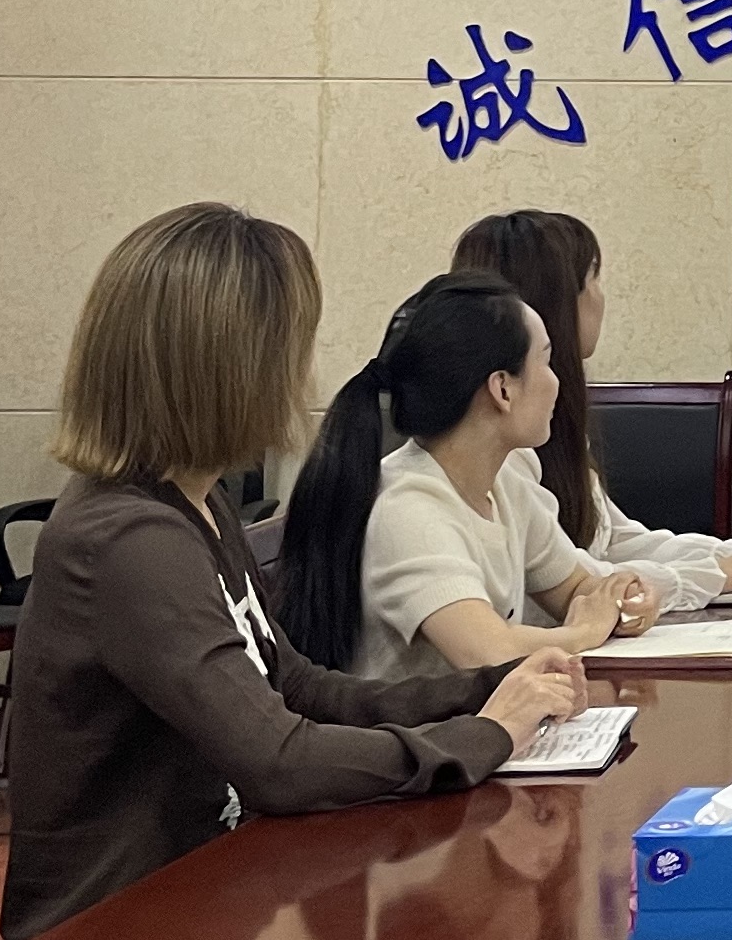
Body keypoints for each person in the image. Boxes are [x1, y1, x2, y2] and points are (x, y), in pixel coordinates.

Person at [0, 204, 581, 940]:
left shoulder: (195, 500)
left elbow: (295, 685)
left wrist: (484, 689)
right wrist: (485, 736)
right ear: (233, 369)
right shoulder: (129, 541)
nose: (301, 374)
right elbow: (278, 760)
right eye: (291, 350)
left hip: (207, 898)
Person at [283, 271, 666, 689]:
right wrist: (586, 631)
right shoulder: (408, 509)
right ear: (502, 389)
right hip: (410, 728)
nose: (556, 382)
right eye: (545, 361)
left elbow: (576, 588)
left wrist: (623, 598)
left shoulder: (504, 482)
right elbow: (488, 653)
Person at [453, 209, 732, 600]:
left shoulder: (543, 422)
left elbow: (614, 541)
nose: (601, 296)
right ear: (560, 304)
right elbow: (576, 584)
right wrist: (722, 575)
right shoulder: (497, 446)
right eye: (594, 278)